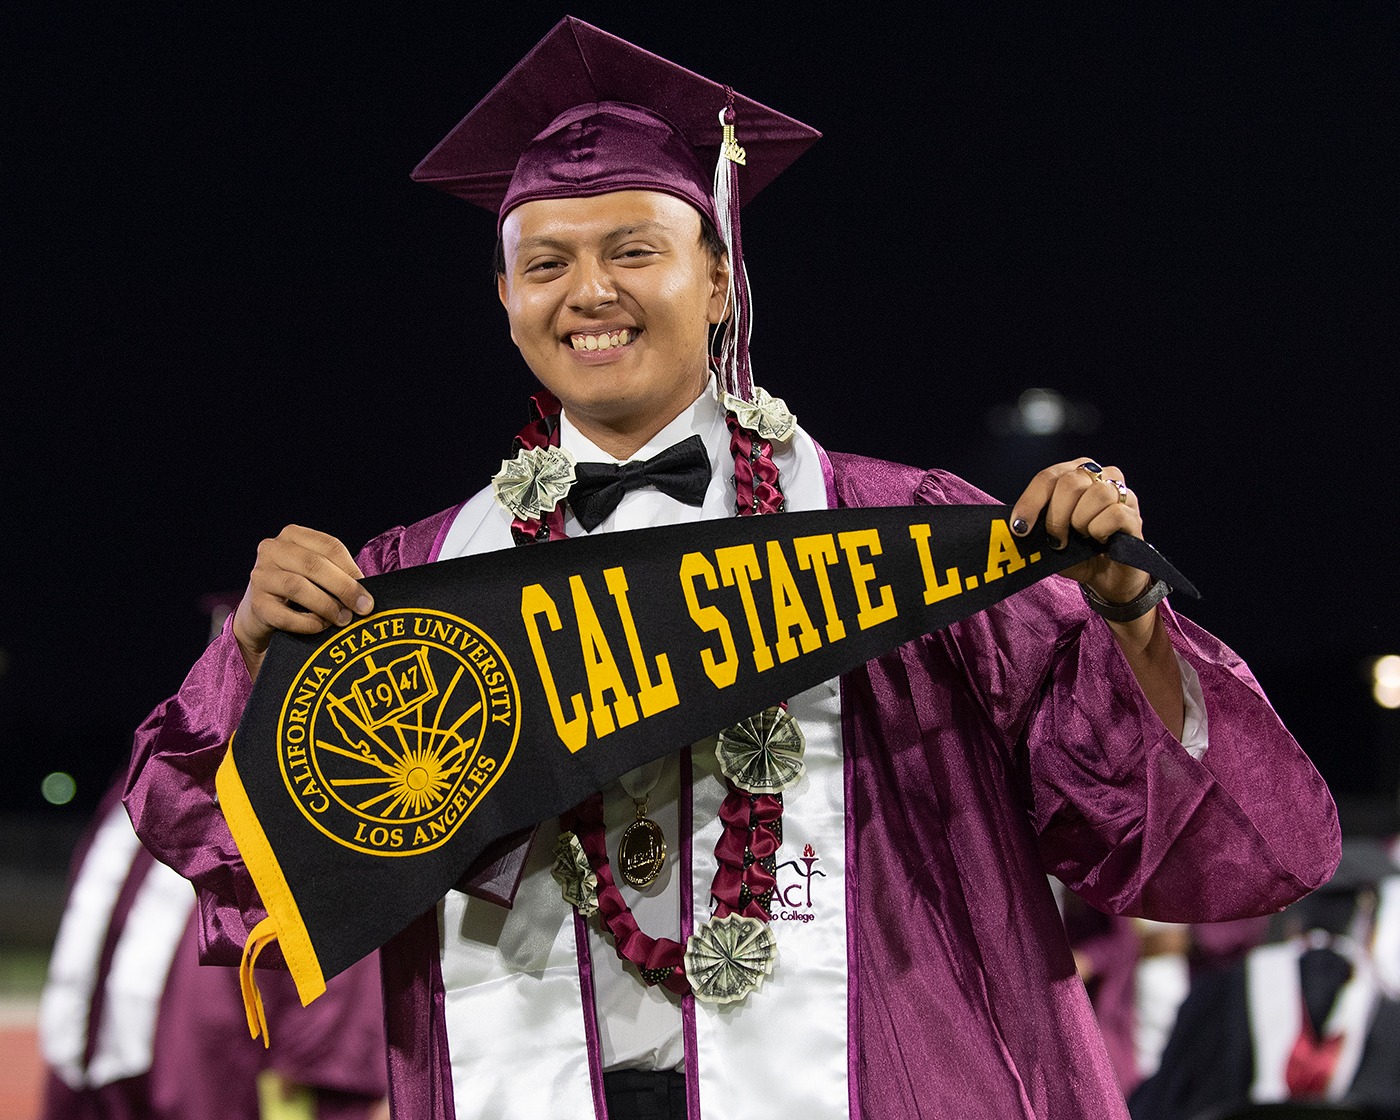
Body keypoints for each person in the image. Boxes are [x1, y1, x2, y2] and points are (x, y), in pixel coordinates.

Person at [124, 17, 1340, 1120]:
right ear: (502, 298)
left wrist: (1126, 615)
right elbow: (226, 847)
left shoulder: (901, 536)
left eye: (632, 249)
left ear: (717, 279)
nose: (586, 291)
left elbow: (1210, 847)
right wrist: (250, 659)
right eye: (543, 262)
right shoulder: (414, 578)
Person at [39, 778, 389, 1120]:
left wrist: (321, 1064)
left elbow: (340, 942)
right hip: (99, 1070)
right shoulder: (145, 776)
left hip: (215, 1080)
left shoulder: (299, 784)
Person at [1129, 840, 1400, 1119]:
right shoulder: (1389, 1019)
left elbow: (1162, 1100)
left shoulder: (1218, 995)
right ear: (1369, 925)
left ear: (1293, 920)